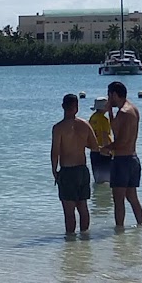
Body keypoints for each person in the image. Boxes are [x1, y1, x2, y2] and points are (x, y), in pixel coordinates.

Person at [51, 93, 94, 236]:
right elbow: (94, 146)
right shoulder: (85, 124)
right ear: (77, 107)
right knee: (83, 207)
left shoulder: (58, 128)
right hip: (82, 170)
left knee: (69, 211)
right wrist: (80, 142)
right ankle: (85, 238)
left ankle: (70, 243)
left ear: (63, 106)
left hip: (68, 171)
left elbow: (55, 151)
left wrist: (54, 171)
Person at [104, 80, 142, 228]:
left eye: (109, 96)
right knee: (132, 196)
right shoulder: (133, 109)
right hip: (133, 158)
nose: (108, 99)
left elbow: (120, 141)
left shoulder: (123, 112)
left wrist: (106, 148)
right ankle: (141, 225)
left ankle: (119, 231)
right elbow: (117, 129)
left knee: (118, 199)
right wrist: (109, 111)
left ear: (114, 94)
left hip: (122, 160)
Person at [87, 96, 115, 181]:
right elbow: (104, 135)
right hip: (104, 151)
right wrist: (107, 151)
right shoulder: (103, 119)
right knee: (107, 179)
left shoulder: (92, 118)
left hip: (94, 151)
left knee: (98, 179)